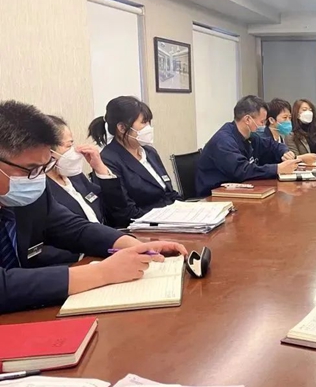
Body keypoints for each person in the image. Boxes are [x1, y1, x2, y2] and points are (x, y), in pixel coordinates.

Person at [0, 100, 187, 315]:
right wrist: (102, 273)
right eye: (31, 169)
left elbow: (73, 228)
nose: (38, 178)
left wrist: (132, 245)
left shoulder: (31, 193)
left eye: (45, 167)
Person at [39, 116, 123, 266]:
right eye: (68, 146)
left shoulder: (75, 176)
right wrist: (83, 256)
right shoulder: (39, 187)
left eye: (72, 144)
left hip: (109, 248)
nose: (74, 151)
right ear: (47, 150)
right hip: (80, 262)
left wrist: (100, 168)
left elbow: (116, 210)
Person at [88, 96, 181, 228]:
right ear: (122, 128)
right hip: (142, 228)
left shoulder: (149, 152)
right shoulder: (108, 160)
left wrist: (188, 210)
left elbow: (169, 193)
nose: (148, 128)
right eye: (143, 123)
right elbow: (125, 213)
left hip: (171, 220)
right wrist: (166, 217)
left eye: (149, 122)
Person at [196, 95, 300, 196]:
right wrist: (277, 169)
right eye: (262, 122)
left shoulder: (250, 136)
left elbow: (271, 145)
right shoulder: (223, 141)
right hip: (213, 195)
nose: (264, 126)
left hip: (238, 190)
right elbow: (243, 171)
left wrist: (285, 152)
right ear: (247, 120)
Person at [263, 98, 316, 165]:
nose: (288, 121)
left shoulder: (280, 138)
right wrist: (301, 158)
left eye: (289, 118)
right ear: (271, 120)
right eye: (285, 117)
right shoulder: (264, 139)